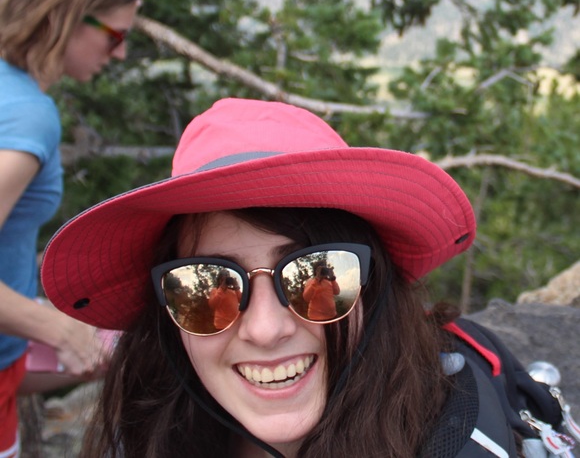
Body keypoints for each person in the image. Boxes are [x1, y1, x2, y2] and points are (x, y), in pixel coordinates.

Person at [41, 98, 517, 457]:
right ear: (168, 315)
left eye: (317, 275)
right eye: (207, 286)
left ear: (372, 286)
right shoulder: (148, 433)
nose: (266, 329)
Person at [0, 0, 139, 457]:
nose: (120, 52)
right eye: (115, 35)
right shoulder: (28, 117)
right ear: (71, 14)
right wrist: (58, 330)